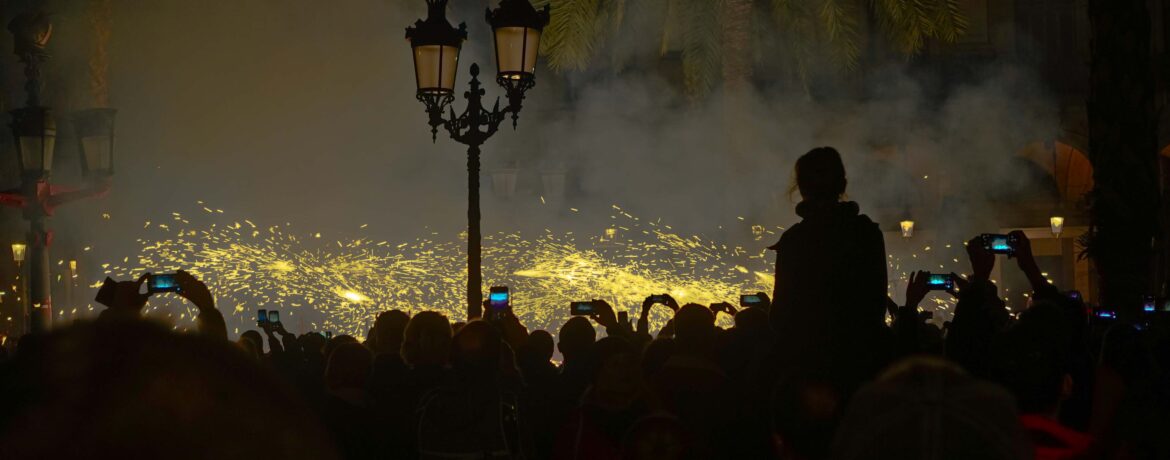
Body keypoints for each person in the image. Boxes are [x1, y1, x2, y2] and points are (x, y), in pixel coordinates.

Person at [769, 147, 889, 388]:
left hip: (806, 368)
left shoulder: (795, 240)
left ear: (801, 188)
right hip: (859, 366)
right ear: (842, 185)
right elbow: (875, 305)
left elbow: (782, 313)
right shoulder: (866, 233)